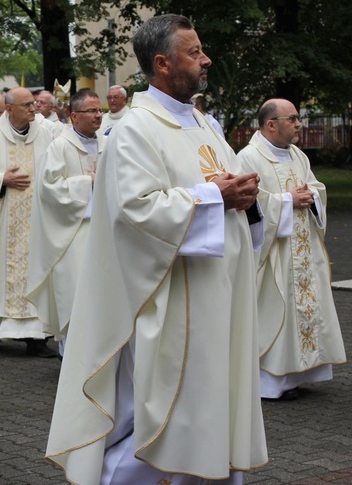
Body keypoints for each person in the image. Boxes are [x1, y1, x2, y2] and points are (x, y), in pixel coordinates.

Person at [46, 14, 268, 484]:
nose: (206, 60)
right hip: (172, 306)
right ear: (163, 63)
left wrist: (247, 197)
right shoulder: (135, 129)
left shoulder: (204, 124)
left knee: (211, 407)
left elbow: (226, 193)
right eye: (194, 52)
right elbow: (135, 210)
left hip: (218, 297)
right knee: (169, 419)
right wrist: (216, 197)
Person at [237, 98, 346, 400]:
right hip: (273, 252)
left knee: (306, 310)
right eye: (293, 118)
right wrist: (287, 201)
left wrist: (310, 194)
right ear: (271, 124)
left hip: (302, 249)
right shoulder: (248, 157)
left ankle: (298, 375)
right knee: (274, 311)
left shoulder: (298, 154)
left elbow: (316, 186)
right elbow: (247, 203)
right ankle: (271, 383)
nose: (299, 124)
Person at [0, 86, 56, 357]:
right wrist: (0, 180)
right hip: (2, 220)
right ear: (10, 109)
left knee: (35, 272)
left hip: (37, 220)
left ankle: (37, 338)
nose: (34, 109)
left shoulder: (48, 135)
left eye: (34, 104)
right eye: (27, 105)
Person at [26, 90, 102, 355]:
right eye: (91, 111)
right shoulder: (60, 146)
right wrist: (88, 183)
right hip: (73, 233)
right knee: (76, 296)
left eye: (99, 110)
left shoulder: (107, 143)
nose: (98, 115)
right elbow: (48, 189)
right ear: (74, 116)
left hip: (104, 232)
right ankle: (71, 356)